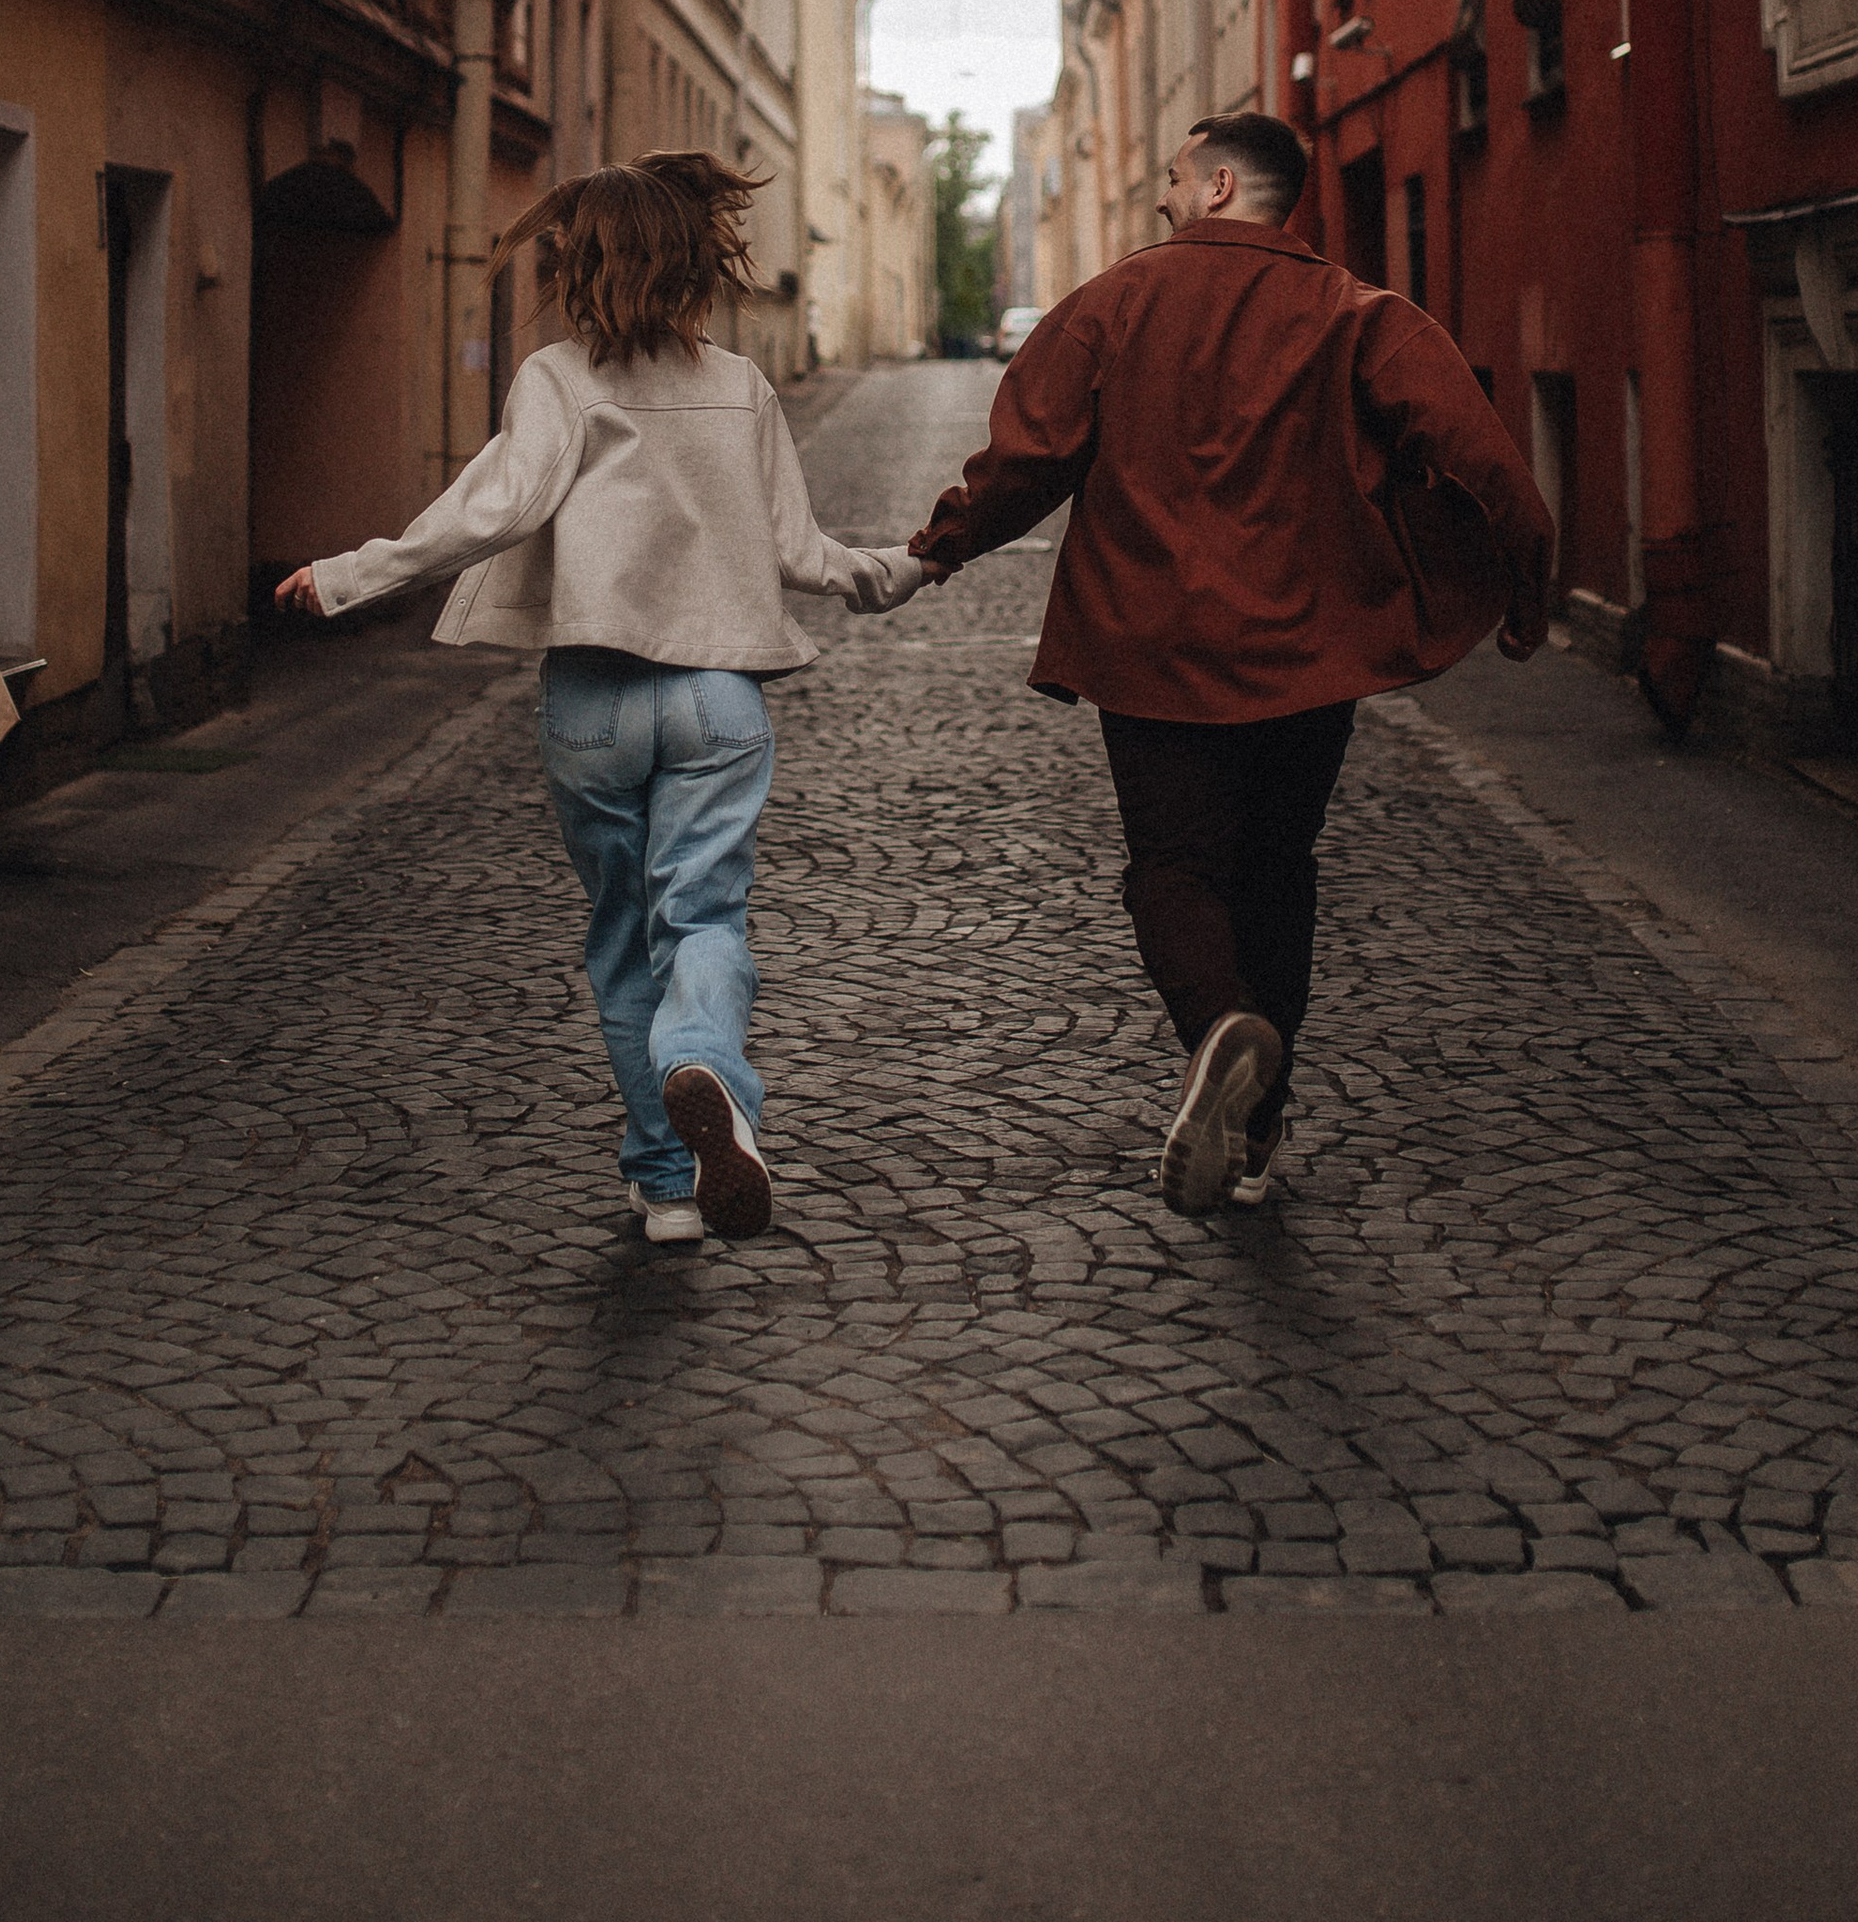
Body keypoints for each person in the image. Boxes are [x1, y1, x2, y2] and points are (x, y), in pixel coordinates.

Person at [906, 113, 1552, 1216]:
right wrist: (1523, 595)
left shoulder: (1110, 304)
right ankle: (1254, 1133)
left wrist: (941, 547)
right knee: (1278, 869)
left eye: (1167, 178)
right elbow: (1486, 459)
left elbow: (1027, 458)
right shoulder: (1360, 314)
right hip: (1310, 652)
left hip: (1151, 647)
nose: (1157, 199)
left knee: (1173, 866)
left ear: (1214, 186)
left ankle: (1219, 1031)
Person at [280, 154, 919, 1245]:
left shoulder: (558, 379)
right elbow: (798, 552)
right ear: (692, 264)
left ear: (581, 267)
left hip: (593, 699)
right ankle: (704, 1068)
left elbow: (488, 510)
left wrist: (345, 577)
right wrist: (903, 564)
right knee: (703, 917)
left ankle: (667, 1183)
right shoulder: (742, 385)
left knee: (624, 934)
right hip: (719, 695)